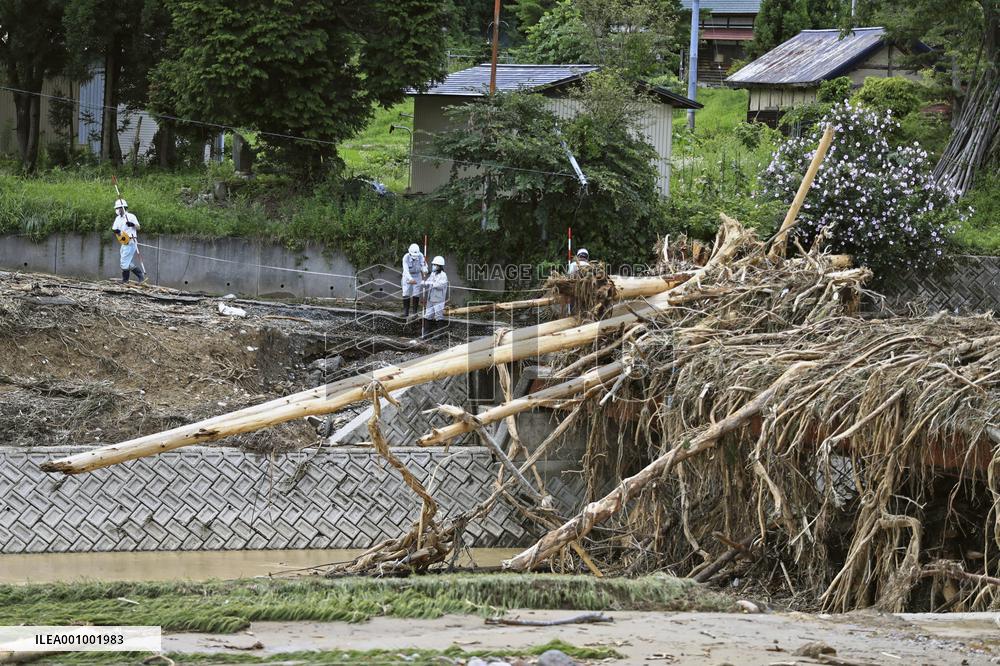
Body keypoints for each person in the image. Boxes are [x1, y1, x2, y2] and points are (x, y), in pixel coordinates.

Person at [111, 198, 144, 283]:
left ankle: (127, 279)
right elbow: (114, 228)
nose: (117, 210)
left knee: (124, 262)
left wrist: (132, 224)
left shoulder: (131, 216)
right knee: (125, 261)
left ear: (123, 208)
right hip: (123, 241)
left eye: (118, 208)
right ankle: (137, 276)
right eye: (116, 209)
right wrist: (116, 231)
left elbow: (138, 227)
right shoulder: (117, 218)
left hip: (131, 241)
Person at [423, 255, 448, 334]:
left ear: (440, 266)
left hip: (439, 299)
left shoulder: (443, 275)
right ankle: (427, 332)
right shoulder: (433, 274)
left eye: (435, 265)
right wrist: (425, 283)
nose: (433, 266)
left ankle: (439, 334)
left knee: (438, 316)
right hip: (430, 298)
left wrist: (432, 283)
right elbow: (429, 280)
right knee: (428, 315)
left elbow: (441, 285)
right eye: (433, 264)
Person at [401, 243, 428, 317]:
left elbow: (424, 265)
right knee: (406, 292)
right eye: (413, 256)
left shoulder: (421, 256)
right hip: (407, 276)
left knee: (416, 293)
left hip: (417, 275)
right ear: (409, 253)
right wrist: (410, 279)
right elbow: (406, 270)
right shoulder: (405, 257)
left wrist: (425, 269)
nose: (414, 257)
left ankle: (415, 313)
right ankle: (406, 312)